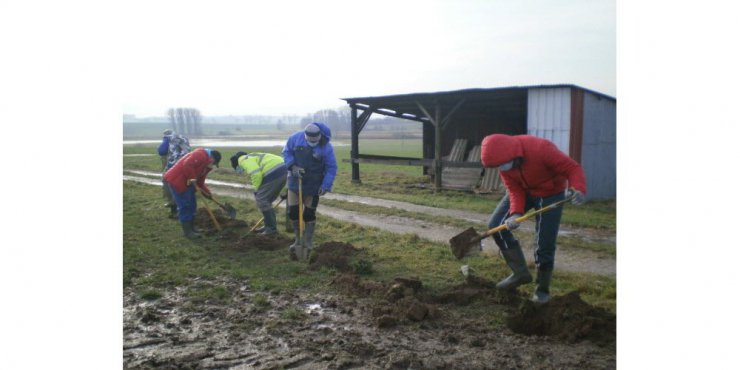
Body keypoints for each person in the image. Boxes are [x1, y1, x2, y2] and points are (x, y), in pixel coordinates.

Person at [480, 134, 587, 304]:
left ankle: (542, 290)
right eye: (498, 166)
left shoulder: (541, 149)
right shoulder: (504, 164)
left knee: (544, 242)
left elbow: (572, 168)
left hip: (551, 193)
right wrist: (516, 213)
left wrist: (578, 189)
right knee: (496, 225)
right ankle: (520, 273)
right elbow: (514, 189)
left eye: (502, 164)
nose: (501, 168)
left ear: (513, 154)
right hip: (523, 190)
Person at [282, 122, 337, 260]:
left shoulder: (326, 147)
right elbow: (287, 152)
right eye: (310, 141)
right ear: (305, 137)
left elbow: (331, 168)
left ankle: (307, 241)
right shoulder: (295, 138)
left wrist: (325, 185)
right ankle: (297, 240)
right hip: (295, 182)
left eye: (315, 141)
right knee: (293, 212)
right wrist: (292, 166)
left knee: (308, 214)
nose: (312, 143)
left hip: (314, 184)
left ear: (319, 137)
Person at [163, 148, 221, 238]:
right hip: (177, 180)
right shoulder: (201, 154)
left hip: (188, 183)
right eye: (214, 163)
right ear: (212, 158)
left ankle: (192, 228)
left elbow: (200, 182)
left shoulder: (206, 166)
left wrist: (207, 194)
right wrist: (193, 178)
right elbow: (187, 164)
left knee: (192, 205)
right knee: (185, 206)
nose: (212, 165)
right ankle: (188, 232)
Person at [229, 151, 287, 235]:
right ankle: (268, 225)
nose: (240, 171)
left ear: (236, 165)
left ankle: (271, 229)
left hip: (274, 171)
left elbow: (256, 174)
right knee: (267, 201)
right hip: (283, 169)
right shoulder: (252, 156)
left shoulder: (243, 160)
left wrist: (256, 190)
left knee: (261, 199)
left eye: (237, 169)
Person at [157, 129, 191, 217]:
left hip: (173, 165)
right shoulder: (183, 138)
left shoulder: (168, 139)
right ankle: (183, 208)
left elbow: (161, 151)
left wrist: (165, 141)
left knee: (168, 185)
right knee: (181, 186)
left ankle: (174, 210)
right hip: (185, 164)